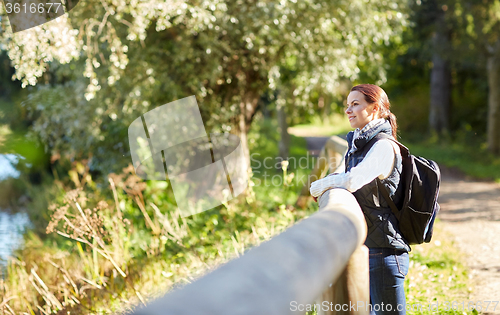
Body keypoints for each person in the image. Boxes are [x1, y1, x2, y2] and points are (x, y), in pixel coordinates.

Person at [309, 84, 410, 315]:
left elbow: (353, 180)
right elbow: (344, 174)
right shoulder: (360, 143)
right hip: (372, 249)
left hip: (385, 254)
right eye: (347, 105)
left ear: (374, 108)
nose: (348, 110)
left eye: (355, 104)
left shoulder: (383, 146)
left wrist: (319, 185)